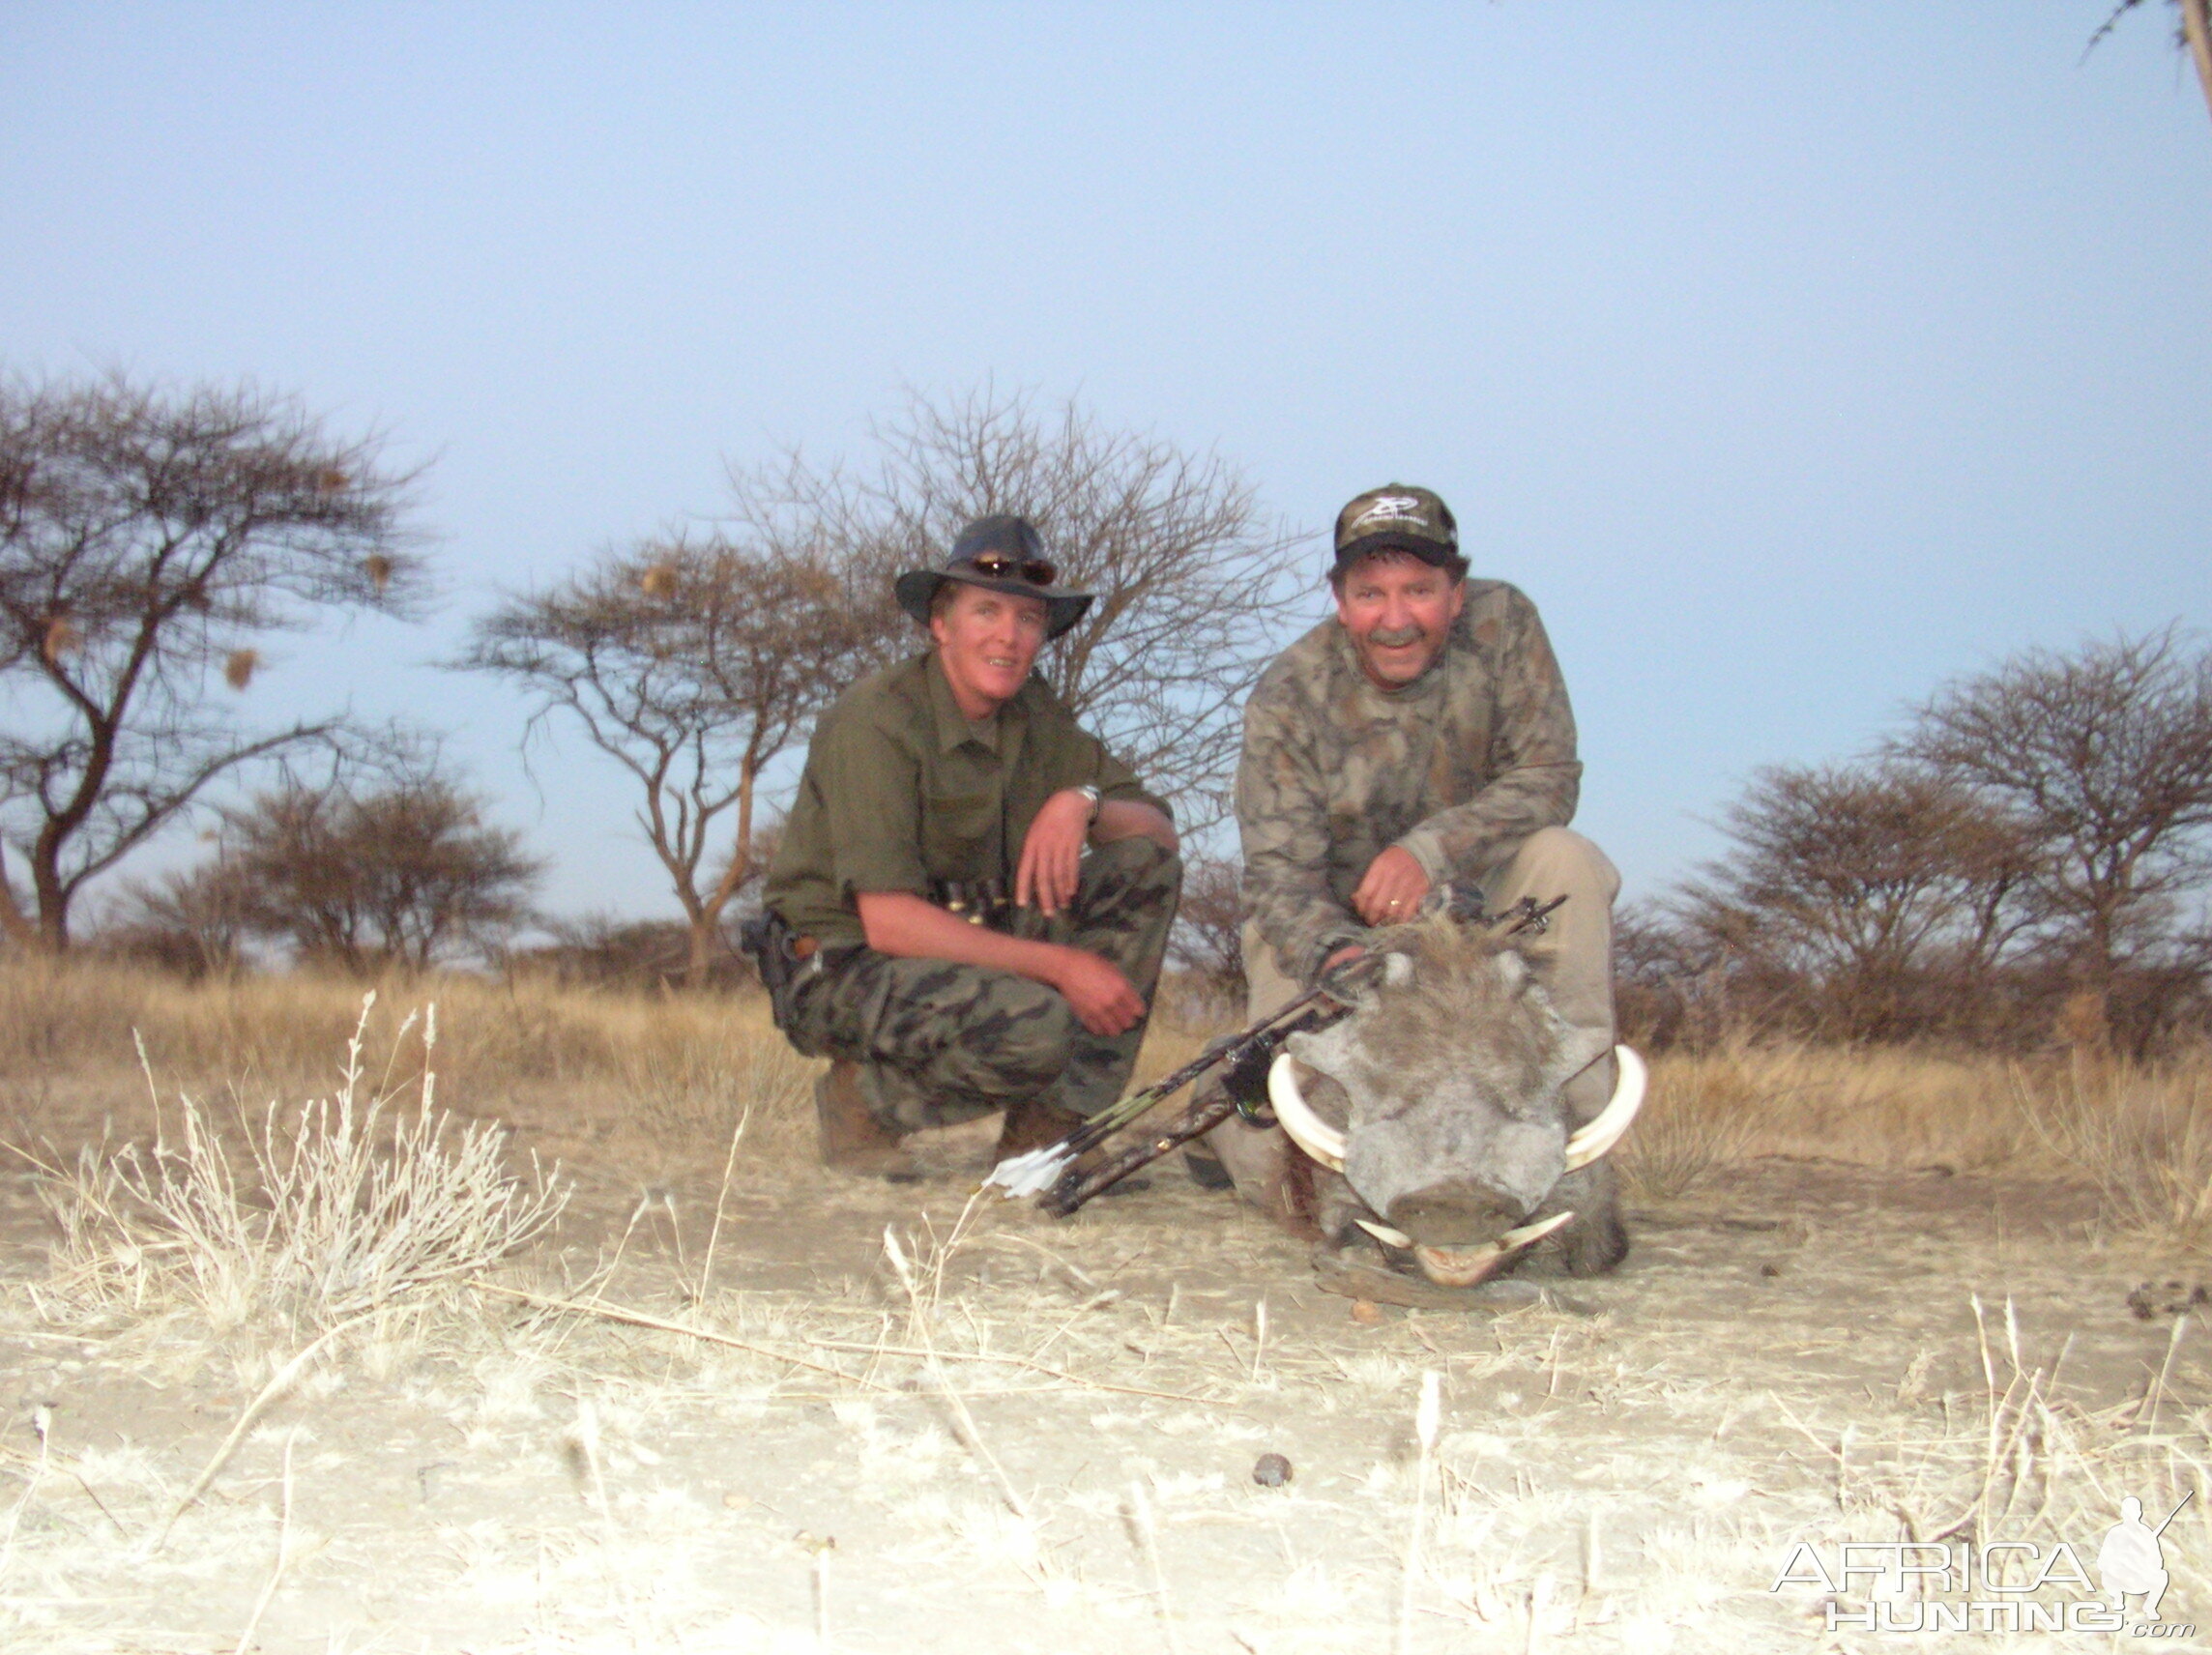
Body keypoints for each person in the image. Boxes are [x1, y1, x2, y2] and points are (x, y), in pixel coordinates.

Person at [1204, 483, 1619, 1236]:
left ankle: (1583, 1142)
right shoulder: (1289, 695)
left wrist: (1428, 852)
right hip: (1337, 923)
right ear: (1340, 600)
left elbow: (1550, 777)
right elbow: (1278, 875)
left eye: (1420, 590)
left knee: (1568, 863)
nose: (1395, 619)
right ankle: (1224, 1127)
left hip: (1483, 897)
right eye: (1371, 593)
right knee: (1284, 1165)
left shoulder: (1507, 626)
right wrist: (1336, 954)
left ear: (1456, 595)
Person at [762, 515, 1181, 1179]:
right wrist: (1062, 968)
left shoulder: (1036, 717)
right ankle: (864, 1102)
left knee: (1141, 866)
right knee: (1039, 1023)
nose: (1008, 637)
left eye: (1028, 619)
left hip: (963, 947)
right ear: (940, 623)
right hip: (841, 967)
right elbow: (890, 922)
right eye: (986, 610)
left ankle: (1048, 1133)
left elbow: (1158, 829)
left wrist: (1084, 803)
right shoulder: (877, 718)